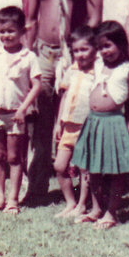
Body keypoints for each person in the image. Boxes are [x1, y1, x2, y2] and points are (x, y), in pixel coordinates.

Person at [26, 0, 103, 198]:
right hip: (45, 54)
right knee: (44, 118)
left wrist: (80, 49)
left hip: (75, 55)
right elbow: (31, 19)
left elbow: (96, 17)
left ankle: (85, 189)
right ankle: (37, 185)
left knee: (76, 117)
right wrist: (27, 55)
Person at [70, 21, 129, 230]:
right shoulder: (98, 64)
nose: (104, 51)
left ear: (121, 44)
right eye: (100, 47)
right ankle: (96, 208)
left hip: (114, 122)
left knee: (115, 170)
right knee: (92, 168)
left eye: (108, 46)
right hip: (93, 121)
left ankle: (112, 211)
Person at [0, 6, 42, 215]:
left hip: (16, 115)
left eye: (11, 31)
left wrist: (24, 109)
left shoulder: (28, 57)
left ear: (22, 31)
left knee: (14, 158)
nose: (6, 35)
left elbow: (36, 85)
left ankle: (13, 199)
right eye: (2, 31)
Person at [54, 26, 98, 219]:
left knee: (83, 167)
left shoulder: (97, 72)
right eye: (76, 51)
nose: (80, 54)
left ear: (94, 49)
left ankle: (82, 204)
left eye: (84, 49)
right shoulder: (71, 70)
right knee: (59, 166)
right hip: (68, 125)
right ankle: (70, 201)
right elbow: (64, 97)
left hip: (86, 126)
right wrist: (58, 123)